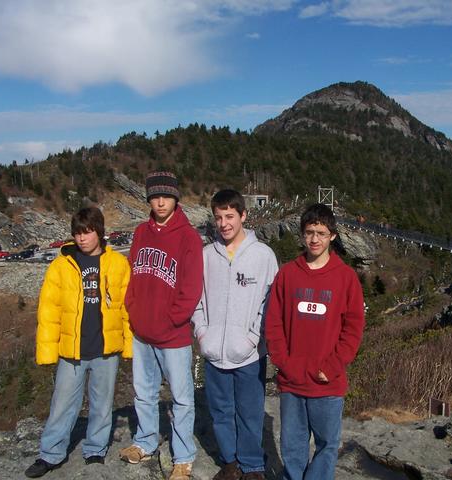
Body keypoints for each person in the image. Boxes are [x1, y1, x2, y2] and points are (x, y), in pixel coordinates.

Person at [25, 207, 132, 478]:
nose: (82, 238)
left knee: (102, 403)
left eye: (87, 232)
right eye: (77, 233)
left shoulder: (118, 264)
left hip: (106, 349)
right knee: (62, 404)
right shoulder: (61, 264)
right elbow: (48, 310)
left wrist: (129, 346)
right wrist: (47, 351)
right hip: (71, 351)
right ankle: (50, 454)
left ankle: (95, 449)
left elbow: (126, 308)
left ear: (99, 231)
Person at [265, 203, 365, 480]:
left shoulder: (346, 278)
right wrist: (284, 363)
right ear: (302, 234)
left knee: (327, 446)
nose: (315, 239)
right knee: (293, 447)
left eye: (321, 233)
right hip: (292, 381)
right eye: (310, 232)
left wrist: (332, 366)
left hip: (327, 382)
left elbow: (354, 329)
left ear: (332, 235)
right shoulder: (287, 274)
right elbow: (273, 323)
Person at [119, 171, 203, 480]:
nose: (160, 201)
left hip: (173, 336)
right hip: (142, 332)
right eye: (155, 196)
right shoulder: (141, 232)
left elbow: (191, 288)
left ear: (176, 198)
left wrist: (172, 321)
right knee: (143, 393)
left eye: (165, 196)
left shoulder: (188, 237)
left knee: (181, 398)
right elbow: (132, 276)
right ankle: (145, 442)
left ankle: (183, 458)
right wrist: (134, 311)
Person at [193, 189, 278, 480]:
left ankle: (253, 464)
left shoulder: (263, 255)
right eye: (218, 217)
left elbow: (270, 302)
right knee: (220, 411)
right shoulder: (206, 255)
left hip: (250, 354)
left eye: (230, 216)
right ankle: (230, 461)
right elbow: (197, 299)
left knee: (250, 412)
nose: (224, 223)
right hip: (214, 351)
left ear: (243, 215)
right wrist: (203, 334)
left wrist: (253, 338)